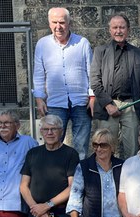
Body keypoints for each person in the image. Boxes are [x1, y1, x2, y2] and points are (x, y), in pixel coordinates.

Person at [90, 14, 140, 159]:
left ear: (128, 30)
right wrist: (108, 104)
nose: (118, 31)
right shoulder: (100, 51)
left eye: (122, 27)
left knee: (132, 149)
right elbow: (95, 81)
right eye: (115, 27)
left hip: (130, 105)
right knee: (106, 148)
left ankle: (129, 180)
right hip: (108, 105)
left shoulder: (137, 52)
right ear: (110, 30)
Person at [33, 7, 93, 160]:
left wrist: (92, 97)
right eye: (54, 22)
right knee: (53, 145)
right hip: (55, 103)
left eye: (62, 22)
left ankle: (78, 182)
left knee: (81, 147)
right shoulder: (42, 44)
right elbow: (39, 74)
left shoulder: (82, 43)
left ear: (69, 23)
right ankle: (56, 181)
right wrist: (39, 98)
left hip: (81, 103)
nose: (58, 26)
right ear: (49, 23)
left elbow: (92, 71)